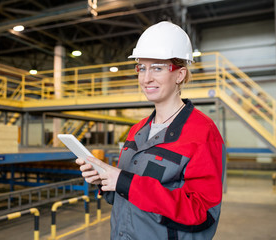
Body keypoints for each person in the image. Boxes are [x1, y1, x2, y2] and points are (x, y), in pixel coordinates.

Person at [76, 21, 226, 240]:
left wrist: (125, 182)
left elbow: (202, 213)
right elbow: (126, 196)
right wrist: (105, 180)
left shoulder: (203, 133)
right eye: (142, 68)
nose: (146, 79)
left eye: (157, 67)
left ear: (180, 74)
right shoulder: (136, 131)